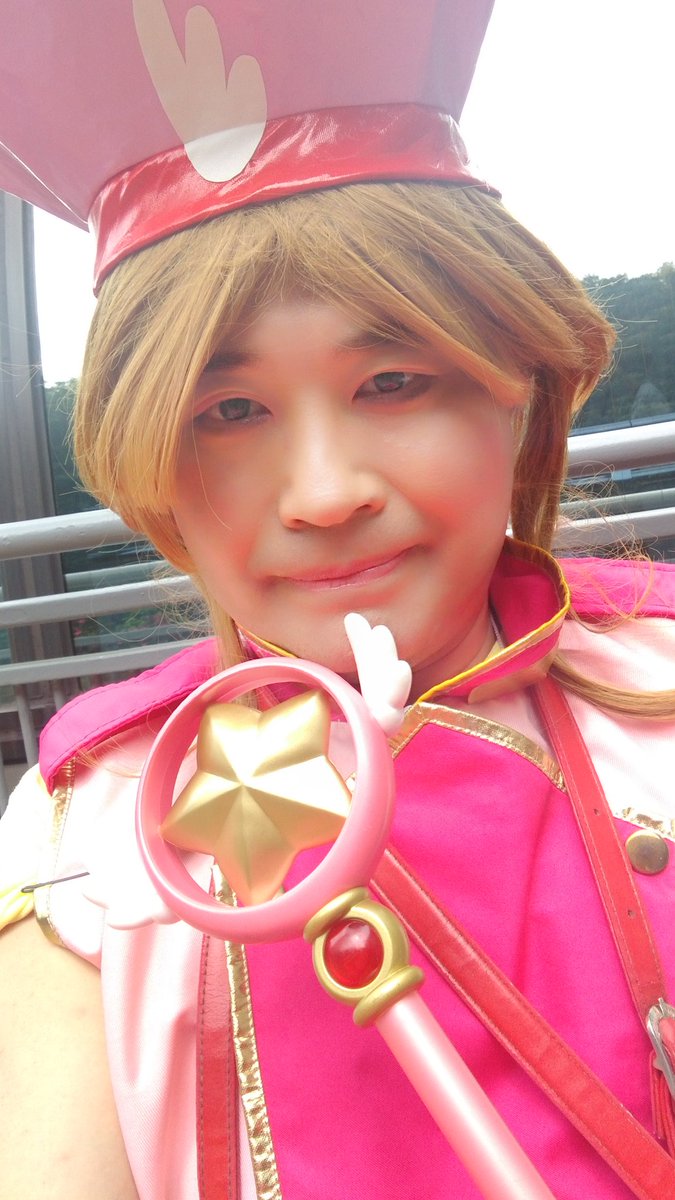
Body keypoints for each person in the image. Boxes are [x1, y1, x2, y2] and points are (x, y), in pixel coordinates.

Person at [1, 3, 674, 1198]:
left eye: (393, 379)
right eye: (230, 411)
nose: (322, 494)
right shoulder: (92, 835)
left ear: (517, 387)